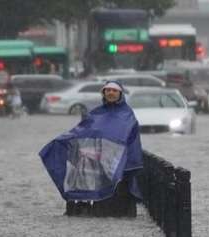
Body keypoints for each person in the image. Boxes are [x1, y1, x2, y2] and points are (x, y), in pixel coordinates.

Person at [39, 80, 144, 217]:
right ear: (103, 93)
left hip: (119, 165)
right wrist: (63, 140)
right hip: (97, 165)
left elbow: (131, 139)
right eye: (108, 90)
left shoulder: (127, 115)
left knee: (117, 199)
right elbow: (81, 132)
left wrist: (128, 162)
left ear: (120, 94)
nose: (111, 93)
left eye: (114, 90)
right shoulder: (95, 114)